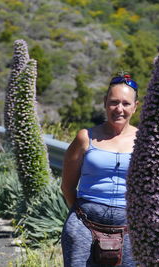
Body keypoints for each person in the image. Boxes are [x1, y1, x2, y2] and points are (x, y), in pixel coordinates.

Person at [61, 73, 139, 266]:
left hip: (130, 230)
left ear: (135, 106)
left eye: (126, 104)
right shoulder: (85, 137)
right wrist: (83, 214)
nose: (119, 109)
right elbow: (67, 187)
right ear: (105, 102)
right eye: (113, 102)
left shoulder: (145, 141)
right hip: (84, 226)